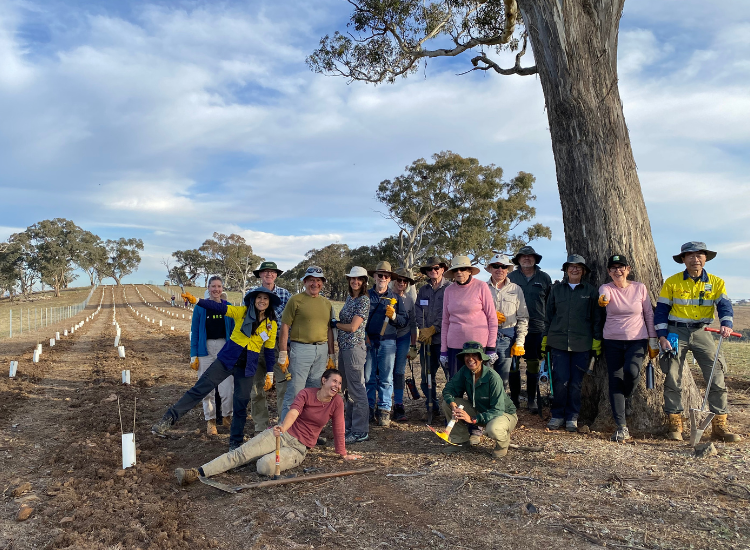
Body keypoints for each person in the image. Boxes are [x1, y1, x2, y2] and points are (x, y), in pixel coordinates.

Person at [174, 369, 362, 485]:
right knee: (241, 454)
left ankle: (262, 456)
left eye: (339, 383)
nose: (337, 386)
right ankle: (197, 472)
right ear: (324, 380)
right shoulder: (306, 393)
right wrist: (283, 427)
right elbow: (294, 412)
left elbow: (339, 428)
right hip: (282, 434)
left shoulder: (336, 402)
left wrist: (343, 453)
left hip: (298, 448)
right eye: (334, 381)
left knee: (263, 466)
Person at [152, 288, 279, 450]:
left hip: (247, 367)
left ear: (269, 303)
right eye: (259, 298)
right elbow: (220, 308)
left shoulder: (271, 324)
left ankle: (235, 443)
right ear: (253, 300)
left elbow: (268, 351)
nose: (262, 301)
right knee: (200, 389)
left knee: (240, 405)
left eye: (265, 298)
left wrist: (270, 374)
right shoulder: (242, 312)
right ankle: (168, 419)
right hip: (227, 359)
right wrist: (197, 301)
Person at [655, 241, 740, 442]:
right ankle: (675, 423)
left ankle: (720, 425)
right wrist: (662, 336)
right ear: (683, 260)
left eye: (699, 255)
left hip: (703, 332)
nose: (695, 259)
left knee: (716, 374)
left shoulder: (717, 282)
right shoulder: (672, 282)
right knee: (672, 376)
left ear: (705, 258)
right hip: (676, 332)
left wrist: (726, 323)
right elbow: (661, 311)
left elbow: (725, 306)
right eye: (690, 255)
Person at [597, 255, 658, 442]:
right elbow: (603, 296)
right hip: (612, 340)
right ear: (608, 271)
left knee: (631, 372)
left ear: (628, 269)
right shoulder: (606, 288)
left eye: (621, 267)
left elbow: (648, 312)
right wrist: (603, 300)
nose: (617, 271)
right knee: (615, 379)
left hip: (637, 339)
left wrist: (653, 338)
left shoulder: (639, 288)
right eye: (613, 268)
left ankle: (628, 396)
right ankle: (621, 426)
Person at [542, 254, 602, 432]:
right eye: (571, 266)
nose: (574, 269)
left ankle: (572, 417)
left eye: (578, 267)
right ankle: (557, 415)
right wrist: (545, 338)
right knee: (560, 381)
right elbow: (549, 315)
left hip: (582, 343)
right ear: (566, 269)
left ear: (583, 271)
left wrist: (596, 341)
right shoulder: (557, 290)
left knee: (576, 383)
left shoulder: (591, 292)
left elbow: (597, 318)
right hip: (558, 342)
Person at [278, 266, 336, 423]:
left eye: (318, 280)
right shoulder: (295, 300)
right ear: (305, 281)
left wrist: (331, 354)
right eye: (311, 280)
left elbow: (330, 329)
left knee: (315, 393)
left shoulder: (326, 303)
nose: (314, 284)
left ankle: (307, 433)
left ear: (322, 283)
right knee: (295, 393)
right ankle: (286, 432)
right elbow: (285, 326)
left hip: (321, 350)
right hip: (301, 349)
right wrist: (283, 353)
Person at [440, 341, 517, 458]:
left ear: (481, 359)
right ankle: (460, 440)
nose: (470, 359)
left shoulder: (493, 377)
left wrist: (472, 419)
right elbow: (448, 390)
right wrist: (452, 404)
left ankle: (503, 444)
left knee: (494, 429)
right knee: (446, 403)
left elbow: (498, 409)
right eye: (467, 355)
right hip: (480, 410)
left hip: (503, 414)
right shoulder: (464, 372)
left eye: (474, 355)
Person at [247, 261, 293, 435]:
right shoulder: (251, 294)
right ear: (260, 275)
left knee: (283, 385)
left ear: (276, 275)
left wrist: (286, 346)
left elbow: (291, 321)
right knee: (256, 387)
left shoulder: (285, 294)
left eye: (272, 272)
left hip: (278, 345)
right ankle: (261, 427)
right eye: (265, 272)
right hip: (256, 345)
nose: (268, 274)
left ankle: (283, 425)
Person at [508, 246, 552, 413]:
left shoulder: (544, 278)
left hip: (537, 328)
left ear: (535, 259)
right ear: (518, 260)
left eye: (530, 256)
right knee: (513, 365)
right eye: (523, 256)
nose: (527, 259)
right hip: (514, 328)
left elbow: (550, 303)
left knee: (533, 364)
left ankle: (532, 399)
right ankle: (514, 399)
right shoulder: (511, 277)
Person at [364, 261, 408, 427]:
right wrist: (365, 336)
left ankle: (383, 410)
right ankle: (368, 408)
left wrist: (395, 316)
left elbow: (404, 321)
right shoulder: (366, 296)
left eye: (386, 276)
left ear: (390, 279)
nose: (382, 278)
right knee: (368, 377)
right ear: (374, 277)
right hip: (368, 341)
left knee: (386, 377)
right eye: (380, 275)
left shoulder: (395, 298)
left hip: (388, 341)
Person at [190, 276, 234, 435]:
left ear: (222, 289)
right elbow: (195, 331)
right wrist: (193, 355)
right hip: (205, 349)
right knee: (207, 386)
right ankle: (211, 421)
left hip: (224, 347)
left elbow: (234, 331)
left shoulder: (228, 306)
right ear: (208, 288)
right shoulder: (200, 307)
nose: (216, 289)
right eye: (213, 286)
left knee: (227, 386)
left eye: (219, 286)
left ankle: (227, 416)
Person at [441, 255, 498, 378]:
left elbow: (492, 318)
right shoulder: (448, 291)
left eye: (462, 269)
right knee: (456, 386)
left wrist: (491, 347)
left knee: (479, 386)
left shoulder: (481, 286)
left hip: (478, 347)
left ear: (470, 271)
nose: (459, 272)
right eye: (455, 270)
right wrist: (443, 350)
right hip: (454, 347)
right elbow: (445, 321)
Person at [331, 266, 371, 444]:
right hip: (344, 348)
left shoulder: (363, 300)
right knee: (345, 389)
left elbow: (353, 327)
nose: (355, 282)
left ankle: (361, 430)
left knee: (357, 389)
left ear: (363, 282)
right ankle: (348, 427)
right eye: (352, 279)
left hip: (355, 348)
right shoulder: (349, 298)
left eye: (359, 279)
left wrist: (335, 324)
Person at [485, 253, 529, 408]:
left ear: (508, 270)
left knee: (503, 379)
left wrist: (519, 342)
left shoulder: (516, 290)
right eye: (496, 266)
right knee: (485, 376)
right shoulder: (482, 288)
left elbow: (523, 318)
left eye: (503, 266)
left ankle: (498, 410)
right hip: (486, 337)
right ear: (490, 268)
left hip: (507, 337)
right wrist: (489, 317)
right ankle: (485, 410)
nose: (500, 269)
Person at [415, 256, 451, 420]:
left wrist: (434, 329)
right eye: (430, 269)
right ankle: (432, 406)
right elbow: (417, 310)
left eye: (436, 268)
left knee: (450, 376)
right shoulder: (423, 290)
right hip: (426, 341)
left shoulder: (450, 288)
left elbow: (449, 313)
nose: (433, 271)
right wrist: (422, 329)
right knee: (426, 376)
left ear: (442, 269)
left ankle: (450, 409)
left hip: (445, 342)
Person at [391, 267, 419, 422]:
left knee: (399, 371)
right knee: (385, 371)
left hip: (403, 338)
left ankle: (399, 404)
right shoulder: (388, 295)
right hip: (387, 338)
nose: (401, 283)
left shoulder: (409, 299)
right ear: (394, 280)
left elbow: (413, 323)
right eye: (399, 280)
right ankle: (384, 404)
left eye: (405, 281)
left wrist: (413, 346)